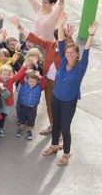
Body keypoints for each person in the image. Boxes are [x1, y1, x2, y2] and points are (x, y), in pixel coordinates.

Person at [41, 18, 97, 166]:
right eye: (68, 52)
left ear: (77, 54)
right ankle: (54, 145)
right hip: (56, 98)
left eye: (73, 52)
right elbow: (60, 41)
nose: (70, 54)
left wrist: (91, 35)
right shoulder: (64, 61)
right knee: (55, 124)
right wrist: (60, 25)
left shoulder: (80, 67)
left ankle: (66, 154)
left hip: (68, 102)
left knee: (65, 128)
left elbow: (86, 50)